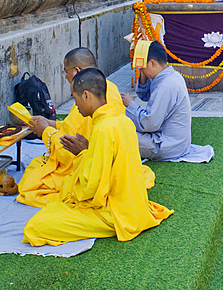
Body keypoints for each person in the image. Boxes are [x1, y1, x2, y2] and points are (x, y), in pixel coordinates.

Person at [22, 68, 173, 246]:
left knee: (34, 227)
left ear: (86, 95)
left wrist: (81, 155)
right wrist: (88, 151)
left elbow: (91, 190)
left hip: (114, 213)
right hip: (133, 205)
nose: (75, 105)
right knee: (55, 205)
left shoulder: (102, 129)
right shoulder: (122, 121)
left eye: (75, 98)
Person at [18, 48, 147, 208]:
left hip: (94, 177)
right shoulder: (109, 88)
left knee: (30, 184)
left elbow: (68, 151)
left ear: (77, 72)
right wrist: (50, 123)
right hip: (109, 171)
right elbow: (74, 127)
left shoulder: (101, 125)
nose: (65, 77)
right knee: (36, 166)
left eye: (66, 72)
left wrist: (45, 131)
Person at [121, 41, 192, 160]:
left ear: (152, 63)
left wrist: (131, 104)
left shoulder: (166, 85)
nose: (141, 71)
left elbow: (149, 124)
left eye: (142, 68)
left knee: (120, 133)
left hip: (168, 146)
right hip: (177, 142)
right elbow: (145, 95)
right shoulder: (171, 76)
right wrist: (144, 72)